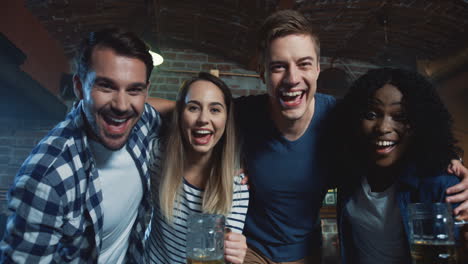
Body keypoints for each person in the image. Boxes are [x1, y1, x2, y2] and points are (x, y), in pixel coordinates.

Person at [148, 10, 468, 263]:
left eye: (303, 65)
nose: (292, 79)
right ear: (262, 73)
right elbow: (190, 111)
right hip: (249, 252)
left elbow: (396, 139)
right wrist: (123, 99)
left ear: (317, 69)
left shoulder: (343, 119)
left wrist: (449, 163)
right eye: (278, 67)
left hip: (308, 252)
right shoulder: (243, 115)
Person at [0, 28, 161, 263]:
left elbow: (178, 112)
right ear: (79, 86)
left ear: (145, 92)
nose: (121, 105)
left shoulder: (141, 120)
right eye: (106, 86)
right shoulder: (46, 179)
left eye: (134, 90)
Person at [334, 68, 464, 263]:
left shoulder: (441, 184)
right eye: (371, 114)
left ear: (421, 123)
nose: (383, 128)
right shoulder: (348, 171)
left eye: (400, 116)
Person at [145, 72, 249, 264]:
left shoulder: (237, 185)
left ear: (227, 119)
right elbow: (133, 106)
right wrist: (178, 110)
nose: (203, 119)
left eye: (215, 110)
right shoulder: (159, 155)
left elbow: (219, 256)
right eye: (193, 108)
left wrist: (234, 252)